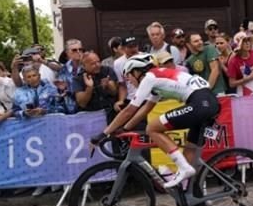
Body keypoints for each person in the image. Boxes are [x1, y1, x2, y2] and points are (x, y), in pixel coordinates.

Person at [93, 54, 219, 189]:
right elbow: (146, 109)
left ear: (137, 71)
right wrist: (124, 129)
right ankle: (197, 197)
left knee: (152, 128)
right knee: (190, 151)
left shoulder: (149, 78)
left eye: (128, 77)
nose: (129, 82)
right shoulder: (158, 81)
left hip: (200, 103)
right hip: (210, 102)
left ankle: (182, 168)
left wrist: (103, 134)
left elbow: (129, 111)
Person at [74, 51, 119, 116]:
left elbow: (114, 92)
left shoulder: (107, 70)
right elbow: (82, 103)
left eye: (98, 62)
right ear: (84, 66)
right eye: (93, 64)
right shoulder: (78, 78)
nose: (97, 65)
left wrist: (108, 85)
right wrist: (89, 88)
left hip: (108, 111)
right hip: (89, 114)